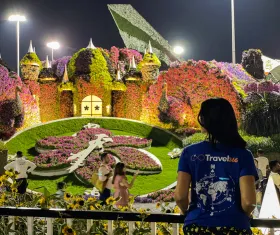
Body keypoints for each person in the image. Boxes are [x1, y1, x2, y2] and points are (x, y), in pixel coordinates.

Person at [175, 98, 258, 235]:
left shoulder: (189, 153)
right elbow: (249, 202)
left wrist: (186, 212)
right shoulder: (243, 155)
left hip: (198, 226)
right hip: (234, 227)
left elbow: (180, 197)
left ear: (204, 120)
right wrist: (244, 215)